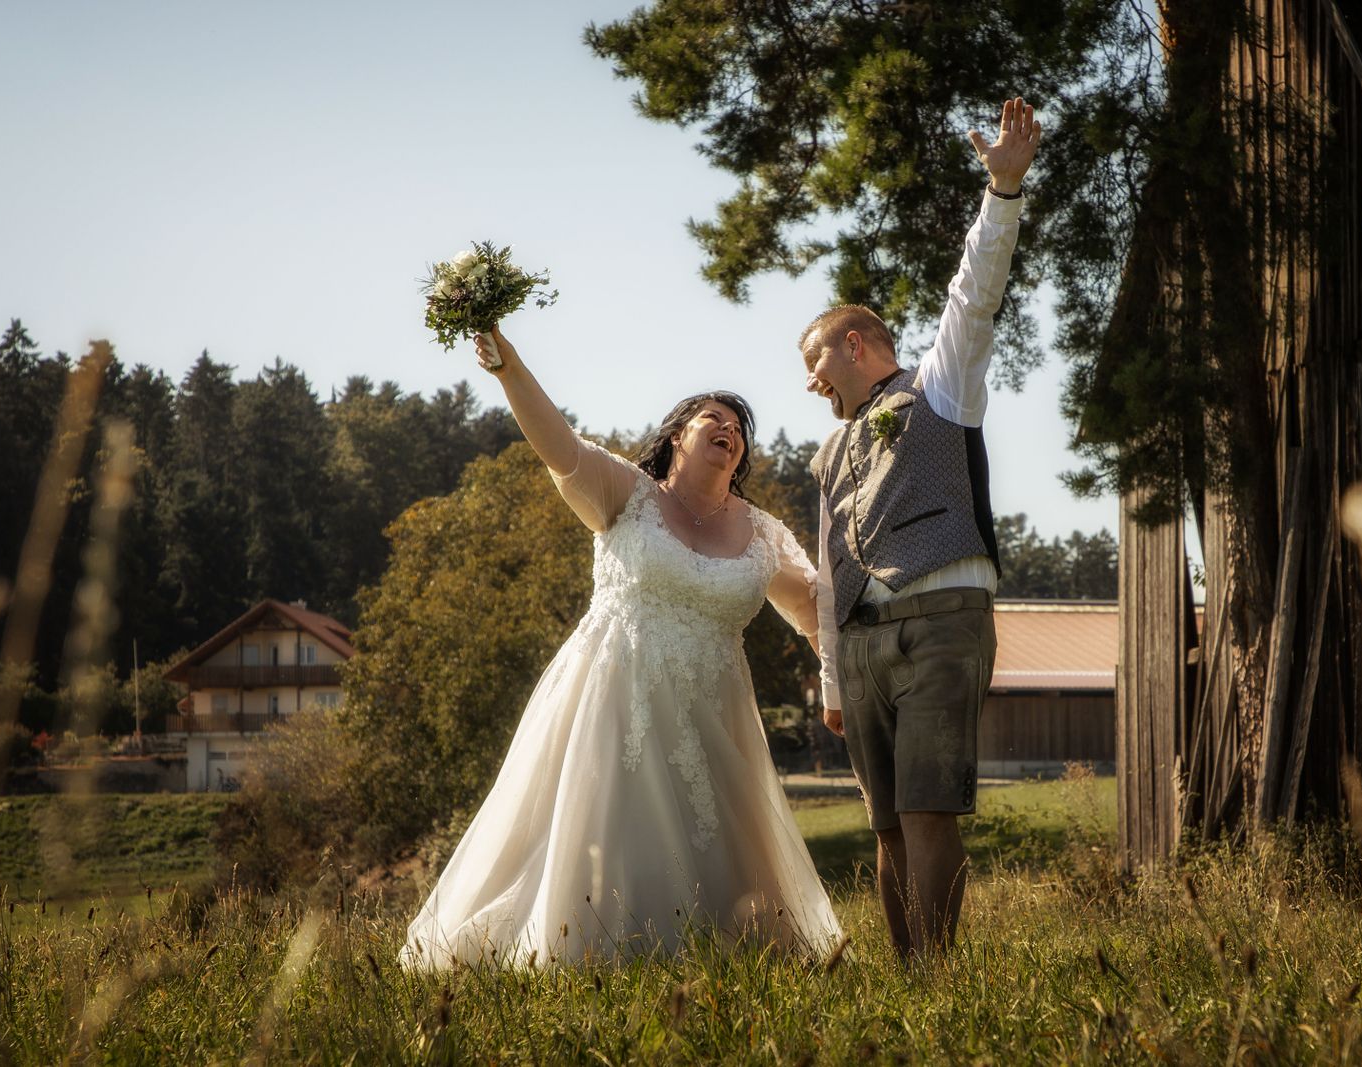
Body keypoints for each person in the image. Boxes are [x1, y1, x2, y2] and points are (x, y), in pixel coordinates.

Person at [400, 326, 844, 967]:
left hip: (716, 716)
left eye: (739, 429)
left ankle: (721, 959)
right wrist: (508, 365)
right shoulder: (626, 494)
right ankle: (584, 955)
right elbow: (557, 445)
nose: (730, 430)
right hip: (614, 693)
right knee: (606, 832)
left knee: (717, 851)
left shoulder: (761, 533)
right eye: (713, 419)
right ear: (676, 437)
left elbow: (817, 610)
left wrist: (845, 680)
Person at [801, 97, 1041, 957]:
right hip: (863, 646)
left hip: (942, 622)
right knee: (884, 827)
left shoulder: (940, 387)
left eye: (815, 361)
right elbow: (830, 577)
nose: (809, 384)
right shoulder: (827, 458)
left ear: (860, 343)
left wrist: (1001, 192)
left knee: (928, 807)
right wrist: (832, 680)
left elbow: (973, 296)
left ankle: (938, 984)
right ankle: (906, 981)